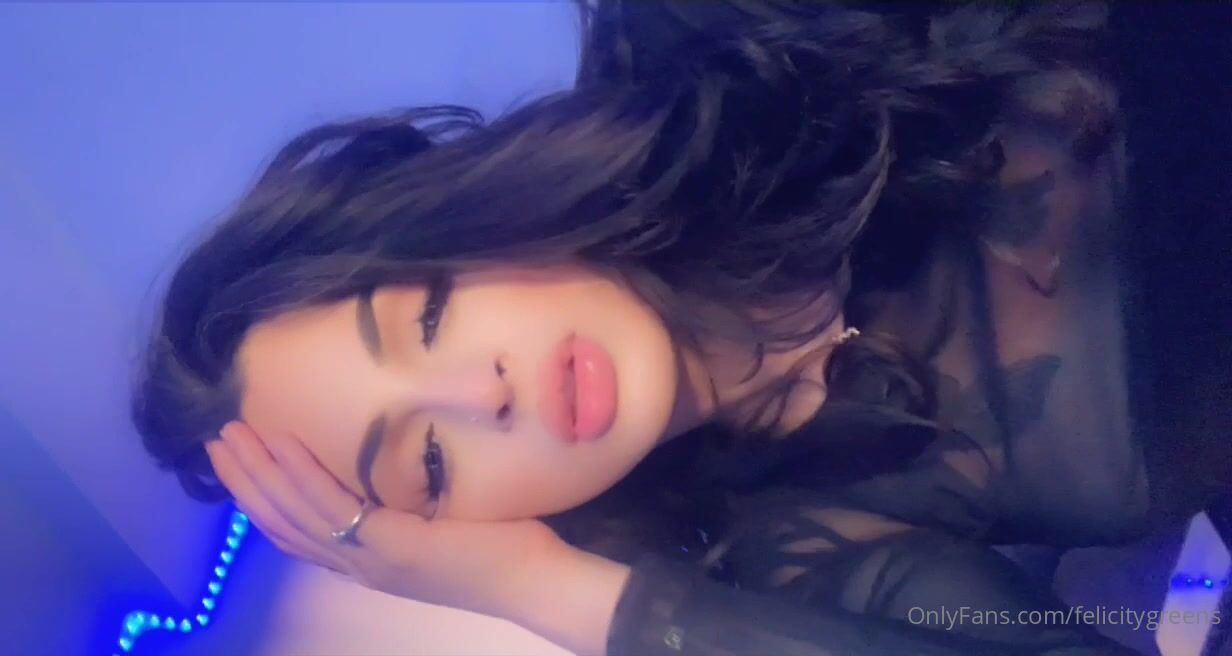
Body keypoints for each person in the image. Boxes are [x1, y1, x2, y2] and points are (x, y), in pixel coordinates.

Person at [131, 2, 1174, 654]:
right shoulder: (782, 554)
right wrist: (537, 586)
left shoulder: (712, 34)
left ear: (464, 217)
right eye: (431, 463)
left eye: (430, 313)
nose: (482, 391)